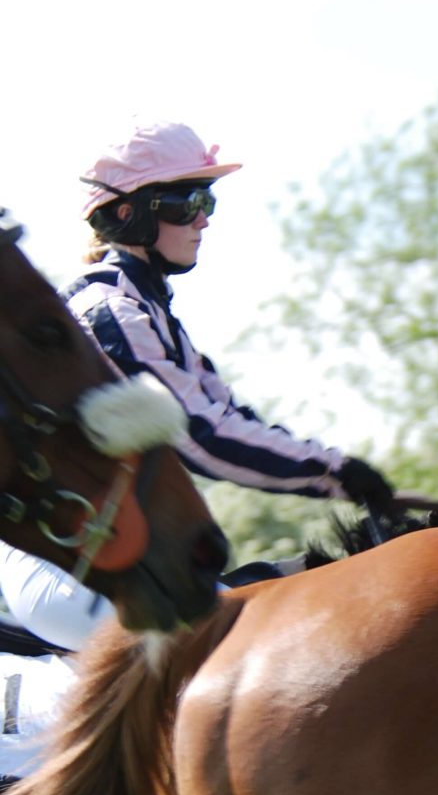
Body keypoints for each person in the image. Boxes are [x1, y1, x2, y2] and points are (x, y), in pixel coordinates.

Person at [68, 119, 394, 520]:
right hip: (62, 554)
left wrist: (335, 468)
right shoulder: (112, 311)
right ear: (128, 213)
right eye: (187, 203)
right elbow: (201, 436)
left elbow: (227, 416)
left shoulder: (150, 307)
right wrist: (333, 471)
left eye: (207, 202)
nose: (202, 219)